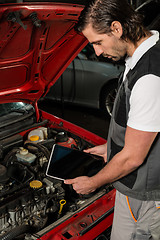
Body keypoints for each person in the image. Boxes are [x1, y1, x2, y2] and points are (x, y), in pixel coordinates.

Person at [64, 0, 160, 239]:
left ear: (117, 28)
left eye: (97, 42)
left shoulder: (149, 76)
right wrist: (111, 149)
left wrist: (93, 182)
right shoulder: (144, 53)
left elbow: (133, 157)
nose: (96, 52)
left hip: (142, 195)